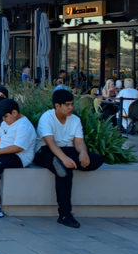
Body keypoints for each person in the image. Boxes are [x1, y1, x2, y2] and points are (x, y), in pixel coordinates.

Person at [33, 89, 104, 228]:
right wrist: (64, 159)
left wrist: (83, 153)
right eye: (67, 104)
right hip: (46, 151)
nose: (71, 107)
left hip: (68, 149)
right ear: (57, 106)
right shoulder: (46, 118)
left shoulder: (75, 119)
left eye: (72, 104)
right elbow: (50, 143)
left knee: (96, 160)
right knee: (64, 171)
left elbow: (78, 142)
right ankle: (65, 214)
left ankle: (63, 163)